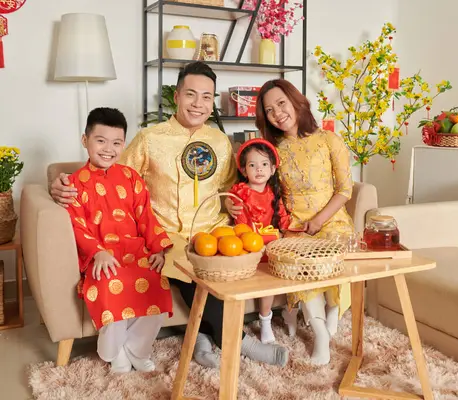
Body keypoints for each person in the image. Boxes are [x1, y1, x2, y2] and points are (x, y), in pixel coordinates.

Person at [50, 62, 288, 369]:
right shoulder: (150, 139)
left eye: (206, 97)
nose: (198, 104)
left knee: (228, 262)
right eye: (191, 94)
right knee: (190, 264)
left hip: (214, 228)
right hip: (166, 235)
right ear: (176, 96)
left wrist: (233, 205)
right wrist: (60, 181)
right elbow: (110, 173)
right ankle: (242, 342)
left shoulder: (219, 141)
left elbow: (232, 186)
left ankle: (203, 337)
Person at [226, 79, 354, 365]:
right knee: (299, 263)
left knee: (337, 253)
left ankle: (332, 310)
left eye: (281, 103)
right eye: (269, 110)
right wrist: (230, 203)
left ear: (297, 101)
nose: (277, 113)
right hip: (293, 225)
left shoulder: (329, 140)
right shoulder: (273, 149)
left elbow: (345, 190)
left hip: (331, 221)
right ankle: (320, 332)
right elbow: (253, 187)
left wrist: (320, 220)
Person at [65, 107, 174, 373]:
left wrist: (159, 249)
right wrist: (97, 252)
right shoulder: (73, 184)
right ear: (85, 140)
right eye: (100, 140)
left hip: (135, 252)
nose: (108, 149)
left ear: (123, 144)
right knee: (110, 281)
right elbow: (76, 225)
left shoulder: (131, 178)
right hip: (101, 257)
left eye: (116, 142)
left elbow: (146, 217)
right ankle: (113, 353)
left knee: (156, 279)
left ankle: (137, 349)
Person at [229, 138, 291, 344]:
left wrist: (288, 233)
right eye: (252, 165)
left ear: (273, 169)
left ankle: (266, 323)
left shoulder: (274, 193)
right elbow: (242, 225)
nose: (259, 170)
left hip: (270, 247)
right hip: (248, 246)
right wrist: (256, 242)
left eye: (264, 164)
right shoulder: (240, 192)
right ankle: (234, 324)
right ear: (245, 170)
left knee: (269, 283)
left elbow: (283, 218)